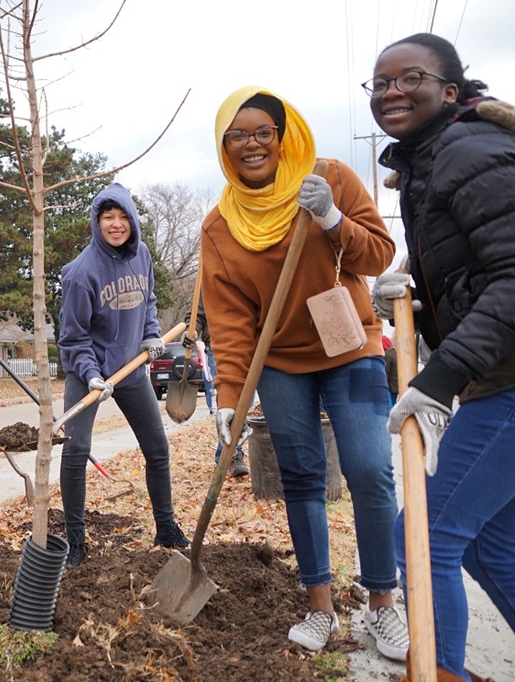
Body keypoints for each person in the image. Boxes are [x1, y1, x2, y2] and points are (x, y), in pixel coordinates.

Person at [201, 87, 408, 661]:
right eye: (237, 135)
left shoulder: (331, 178)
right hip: (282, 364)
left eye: (263, 132)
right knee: (301, 479)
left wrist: (333, 218)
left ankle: (382, 605)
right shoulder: (220, 227)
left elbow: (378, 255)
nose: (252, 144)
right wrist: (228, 396)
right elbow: (233, 322)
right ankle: (320, 608)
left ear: (282, 134)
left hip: (352, 350)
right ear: (224, 146)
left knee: (369, 471)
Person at [368, 33, 515, 682]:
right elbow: (471, 269)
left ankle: (441, 670)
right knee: (493, 547)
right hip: (496, 379)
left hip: (507, 384)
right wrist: (407, 289)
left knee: (424, 539)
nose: (391, 91)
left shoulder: (468, 147)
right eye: (379, 83)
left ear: (450, 91)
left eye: (409, 78)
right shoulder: (428, 167)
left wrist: (440, 376)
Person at [58, 182, 189, 568]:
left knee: (158, 449)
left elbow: (147, 301)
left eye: (122, 218)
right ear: (96, 222)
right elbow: (73, 337)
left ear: (132, 220)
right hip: (89, 375)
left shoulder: (142, 255)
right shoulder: (80, 274)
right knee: (76, 449)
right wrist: (91, 374)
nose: (116, 225)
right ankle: (76, 542)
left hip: (131, 370)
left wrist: (150, 334)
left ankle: (165, 527)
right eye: (107, 218)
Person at [188, 303, 249, 476]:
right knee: (229, 401)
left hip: (248, 345)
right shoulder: (210, 278)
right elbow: (196, 313)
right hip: (219, 347)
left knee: (246, 403)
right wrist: (191, 330)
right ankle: (231, 455)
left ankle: (225, 453)